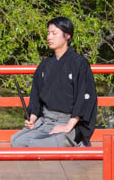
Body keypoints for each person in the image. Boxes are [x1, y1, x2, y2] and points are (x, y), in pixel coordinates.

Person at [10, 17, 97, 148]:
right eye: (48, 33)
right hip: (46, 121)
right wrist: (32, 119)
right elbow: (36, 96)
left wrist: (68, 126)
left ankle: (77, 142)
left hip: (70, 122)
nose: (49, 37)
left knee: (39, 144)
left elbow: (83, 97)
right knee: (17, 141)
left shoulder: (79, 63)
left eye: (54, 33)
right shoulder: (45, 64)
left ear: (67, 36)